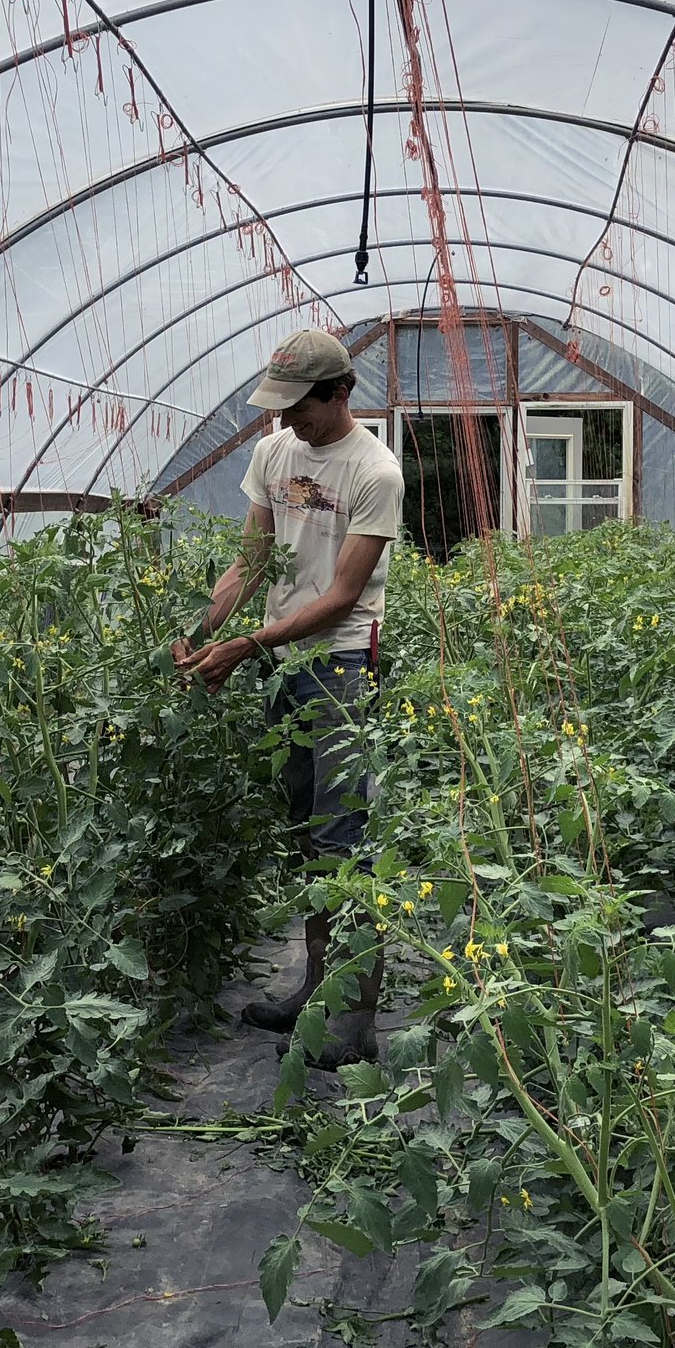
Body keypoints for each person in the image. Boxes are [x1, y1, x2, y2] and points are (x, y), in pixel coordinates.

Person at [178, 329, 403, 1068]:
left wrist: (248, 644)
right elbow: (251, 559)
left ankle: (357, 1018)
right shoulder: (274, 454)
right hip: (283, 664)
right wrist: (203, 627)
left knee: (345, 844)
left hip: (340, 663)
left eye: (297, 405)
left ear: (340, 393)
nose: (284, 421)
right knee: (307, 836)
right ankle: (316, 990)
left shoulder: (376, 470)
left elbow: (342, 598)